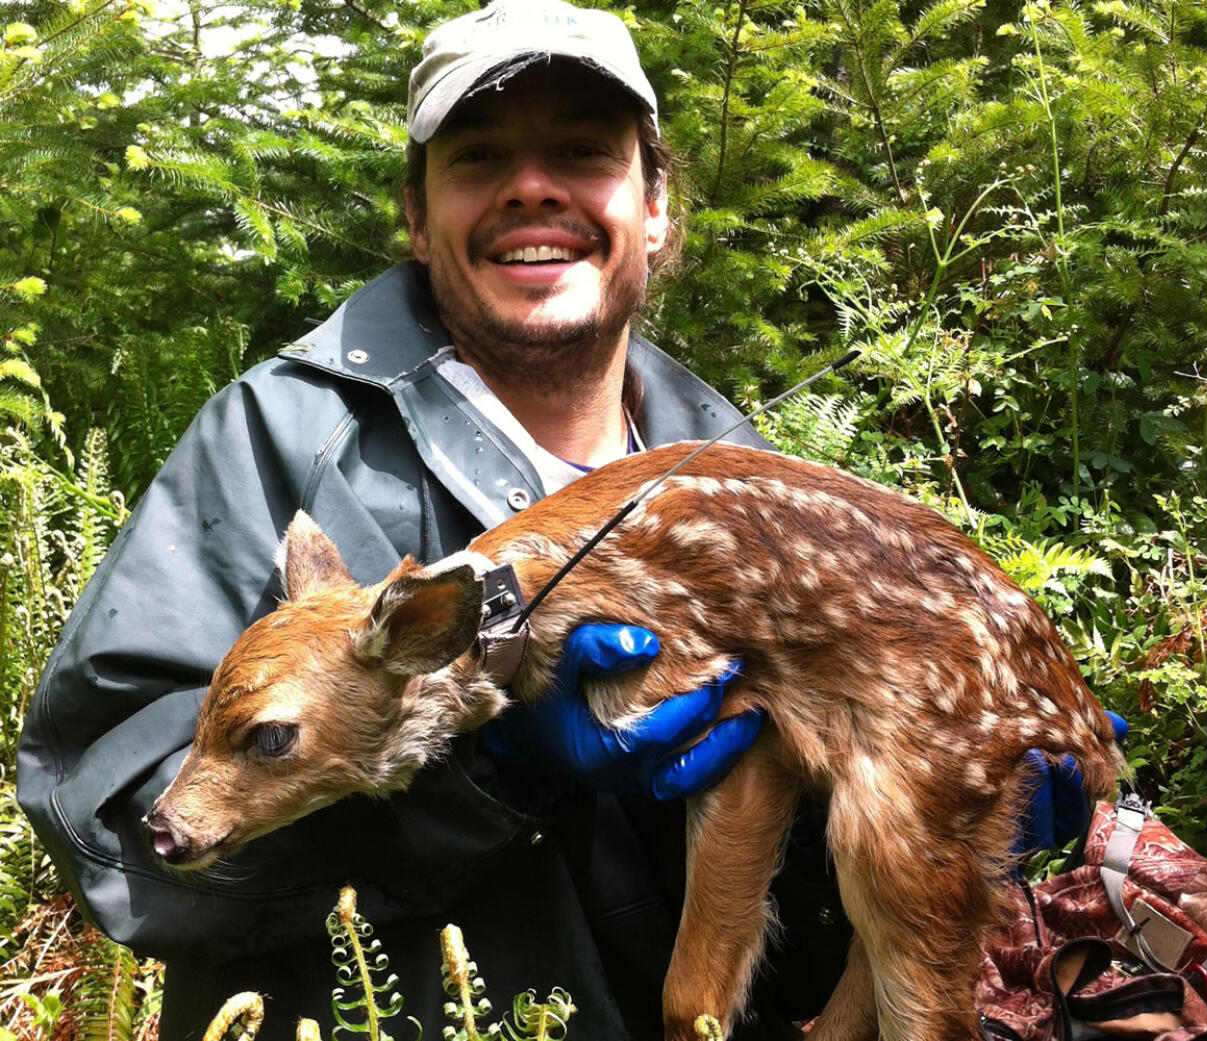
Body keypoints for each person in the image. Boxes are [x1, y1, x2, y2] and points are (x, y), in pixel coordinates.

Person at [18, 1, 1115, 1038]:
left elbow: (801, 782)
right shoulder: (283, 439)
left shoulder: (739, 479)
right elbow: (114, 828)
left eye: (584, 153)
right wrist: (481, 766)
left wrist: (984, 807)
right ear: (415, 211)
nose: (530, 190)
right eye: (479, 157)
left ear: (652, 205)